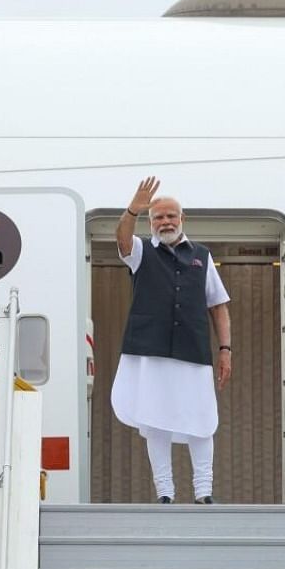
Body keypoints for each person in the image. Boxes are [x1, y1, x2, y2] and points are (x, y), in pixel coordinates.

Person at [111, 177, 231, 504]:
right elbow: (122, 239)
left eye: (171, 216)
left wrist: (225, 350)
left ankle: (203, 491)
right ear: (150, 223)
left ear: (182, 219)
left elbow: (218, 306)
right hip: (150, 350)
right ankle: (165, 492)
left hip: (193, 350)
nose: (165, 222)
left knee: (202, 419)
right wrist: (133, 208)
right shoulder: (139, 251)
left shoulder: (202, 256)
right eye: (158, 217)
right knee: (156, 420)